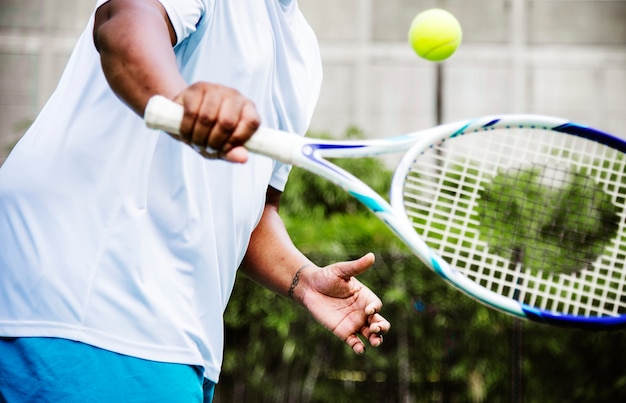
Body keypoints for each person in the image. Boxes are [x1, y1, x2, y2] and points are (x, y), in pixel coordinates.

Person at [0, 0, 390, 401]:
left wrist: (303, 280)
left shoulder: (303, 52)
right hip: (82, 314)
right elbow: (124, 20)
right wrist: (180, 100)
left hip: (174, 342)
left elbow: (252, 210)